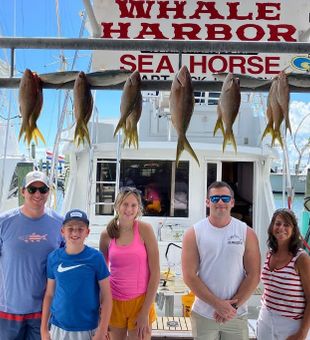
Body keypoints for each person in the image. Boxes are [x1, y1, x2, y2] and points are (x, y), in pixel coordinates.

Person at [182, 180, 261, 340]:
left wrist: (232, 307)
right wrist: (217, 304)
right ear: (207, 202)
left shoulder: (247, 233)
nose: (220, 202)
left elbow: (254, 275)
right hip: (204, 314)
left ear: (232, 202)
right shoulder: (193, 233)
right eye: (215, 198)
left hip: (236, 315)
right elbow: (189, 276)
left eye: (225, 199)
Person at [0, 170, 63, 340]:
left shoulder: (60, 224)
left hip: (42, 311)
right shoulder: (3, 222)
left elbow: (70, 261)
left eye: (43, 190)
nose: (37, 194)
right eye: (32, 189)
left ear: (49, 192)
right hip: (8, 310)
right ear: (22, 192)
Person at [41, 209, 112, 340]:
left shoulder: (96, 258)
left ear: (87, 232)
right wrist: (44, 329)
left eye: (80, 229)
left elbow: (107, 297)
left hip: (88, 328)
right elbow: (49, 294)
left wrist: (102, 331)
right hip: (58, 328)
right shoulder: (53, 258)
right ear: (62, 231)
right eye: (70, 228)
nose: (75, 232)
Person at [99, 186, 160, 340]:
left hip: (140, 302)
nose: (129, 209)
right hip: (114, 302)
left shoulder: (145, 230)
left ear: (138, 208)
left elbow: (155, 273)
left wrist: (145, 312)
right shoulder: (106, 234)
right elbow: (101, 275)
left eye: (133, 205)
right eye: (125, 204)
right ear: (117, 206)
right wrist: (101, 309)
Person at [257, 208, 310, 340]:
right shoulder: (269, 253)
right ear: (272, 227)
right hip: (265, 318)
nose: (281, 228)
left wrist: (302, 333)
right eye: (278, 223)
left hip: (291, 324)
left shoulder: (301, 259)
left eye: (287, 225)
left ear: (293, 230)